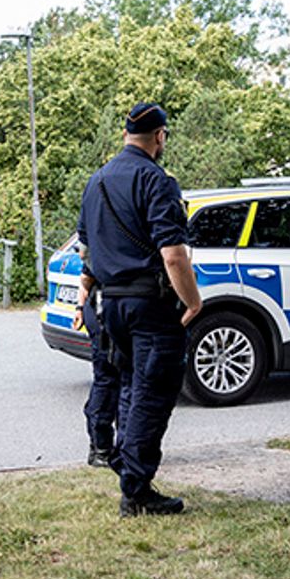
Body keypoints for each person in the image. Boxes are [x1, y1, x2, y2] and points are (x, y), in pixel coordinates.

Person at [77, 102, 202, 517]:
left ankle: (129, 471)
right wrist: (193, 301)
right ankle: (136, 489)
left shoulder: (96, 182)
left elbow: (86, 247)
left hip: (111, 304)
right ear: (160, 136)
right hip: (150, 305)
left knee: (132, 387)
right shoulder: (157, 181)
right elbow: (174, 255)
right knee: (153, 394)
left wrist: (86, 295)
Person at [72, 278, 120, 469]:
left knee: (110, 381)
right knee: (107, 381)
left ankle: (102, 447)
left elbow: (85, 276)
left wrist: (80, 307)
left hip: (100, 307)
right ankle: (101, 449)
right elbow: (86, 275)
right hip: (105, 311)